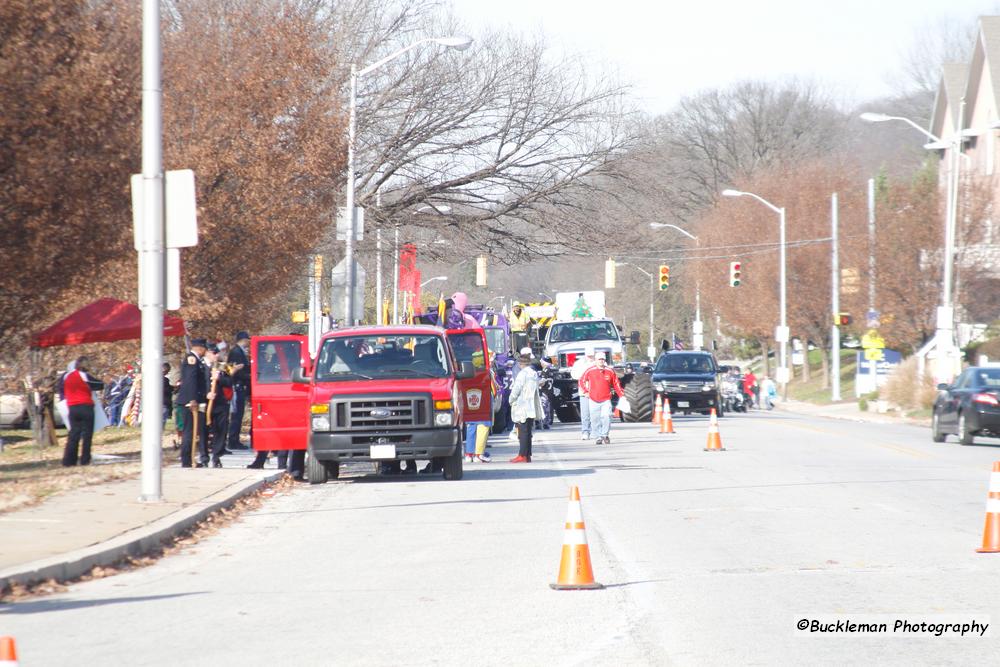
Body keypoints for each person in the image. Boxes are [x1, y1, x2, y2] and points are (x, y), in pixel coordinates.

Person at [61, 356, 105, 466]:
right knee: (87, 435)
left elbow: (61, 389)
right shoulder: (84, 375)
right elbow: (99, 385)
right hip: (86, 407)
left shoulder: (66, 377)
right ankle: (85, 460)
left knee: (73, 435)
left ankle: (69, 460)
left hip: (72, 408)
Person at [176, 338, 209, 467]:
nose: (205, 351)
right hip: (189, 401)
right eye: (204, 348)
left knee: (193, 432)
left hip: (194, 399)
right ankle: (186, 460)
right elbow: (190, 380)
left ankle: (190, 458)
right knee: (189, 432)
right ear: (199, 348)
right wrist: (192, 399)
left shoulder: (197, 360)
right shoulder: (192, 359)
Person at [580, 352, 624, 444]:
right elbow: (581, 381)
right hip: (593, 399)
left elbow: (616, 384)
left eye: (603, 359)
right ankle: (598, 437)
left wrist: (621, 395)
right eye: (599, 359)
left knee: (606, 416)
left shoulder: (610, 371)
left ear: (605, 360)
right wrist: (586, 391)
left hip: (606, 399)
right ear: (595, 360)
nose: (601, 361)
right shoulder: (590, 370)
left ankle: (605, 434)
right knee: (595, 419)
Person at [508, 353, 543, 463]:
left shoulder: (522, 374)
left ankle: (522, 455)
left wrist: (511, 400)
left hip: (522, 405)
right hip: (531, 406)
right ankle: (528, 455)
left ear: (520, 363)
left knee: (522, 432)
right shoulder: (534, 373)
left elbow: (516, 390)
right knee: (528, 432)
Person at [204, 345, 233, 468]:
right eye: (213, 353)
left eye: (217, 353)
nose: (216, 355)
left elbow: (230, 381)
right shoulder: (200, 365)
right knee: (205, 431)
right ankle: (204, 456)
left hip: (220, 402)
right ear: (207, 353)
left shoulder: (223, 366)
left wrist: (220, 377)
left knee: (220, 430)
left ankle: (216, 456)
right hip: (205, 402)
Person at [226, 331, 251, 451]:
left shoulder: (240, 351)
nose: (249, 343)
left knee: (239, 415)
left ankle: (234, 439)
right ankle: (233, 440)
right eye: (248, 340)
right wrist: (250, 376)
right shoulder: (236, 352)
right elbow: (236, 371)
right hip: (237, 386)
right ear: (243, 340)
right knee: (236, 415)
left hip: (241, 386)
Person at [570, 347, 596, 440]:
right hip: (584, 392)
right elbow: (574, 375)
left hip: (597, 391)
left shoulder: (599, 362)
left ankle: (595, 431)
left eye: (592, 356)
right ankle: (585, 431)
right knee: (585, 413)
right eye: (589, 356)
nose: (590, 357)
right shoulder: (579, 363)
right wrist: (585, 375)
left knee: (595, 413)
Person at [162, 362, 173, 429]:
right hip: (164, 402)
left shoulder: (165, 379)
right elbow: (165, 389)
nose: (167, 373)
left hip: (163, 402)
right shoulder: (164, 380)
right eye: (167, 371)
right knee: (162, 420)